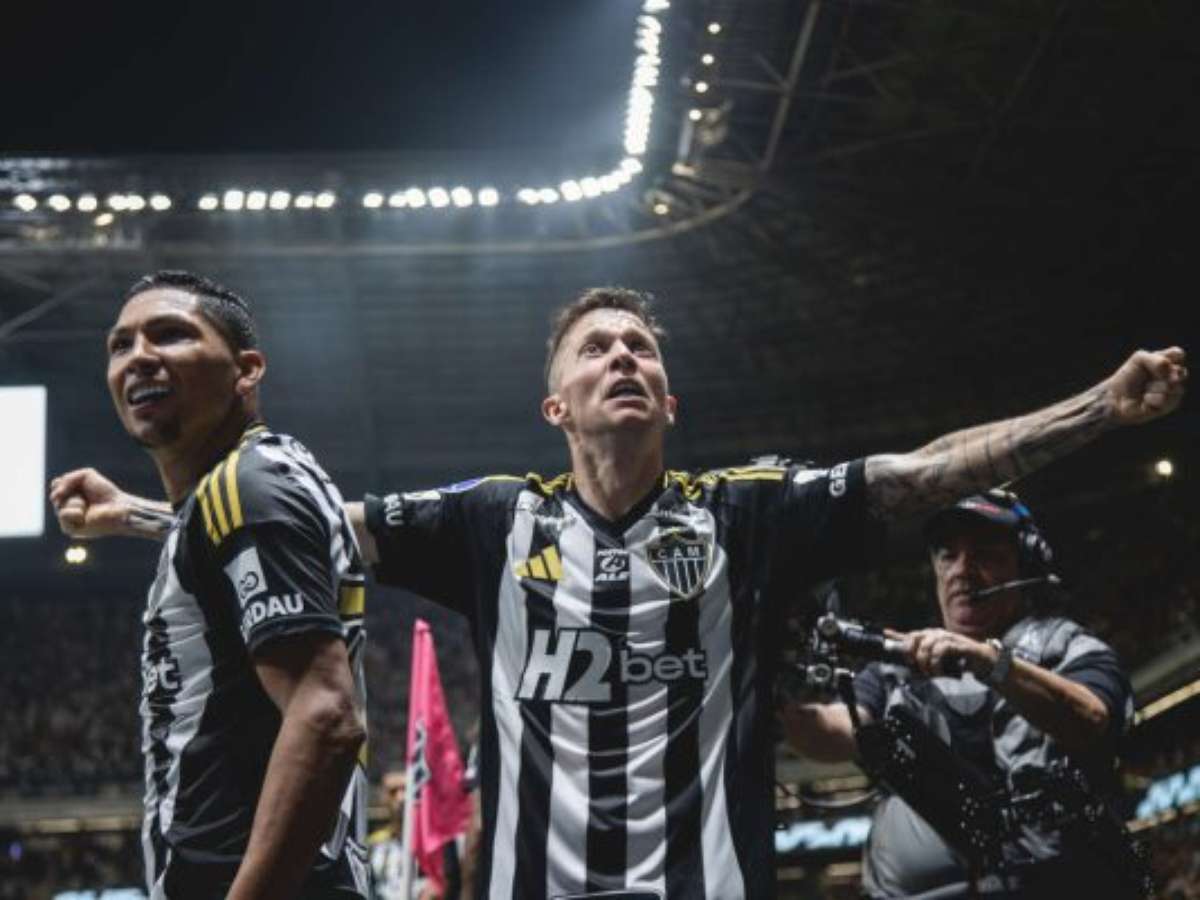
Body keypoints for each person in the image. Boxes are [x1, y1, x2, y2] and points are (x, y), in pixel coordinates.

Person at [52, 287, 1186, 899]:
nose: (624, 358)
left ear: (671, 401)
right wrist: (139, 516)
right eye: (596, 349)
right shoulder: (492, 521)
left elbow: (919, 473)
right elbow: (301, 536)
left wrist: (1101, 407)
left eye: (641, 347)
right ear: (557, 409)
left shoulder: (745, 514)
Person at [49, 271, 370, 899]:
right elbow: (218, 537)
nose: (139, 356)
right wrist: (133, 515)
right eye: (121, 344)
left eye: (170, 334)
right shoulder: (260, 478)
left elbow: (326, 716)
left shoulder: (248, 486)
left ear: (246, 370)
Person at [781, 490, 1135, 898]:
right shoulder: (896, 665)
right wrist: (780, 706)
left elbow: (1092, 718)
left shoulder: (1066, 646)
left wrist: (989, 662)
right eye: (948, 556)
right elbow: (838, 730)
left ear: (1026, 566)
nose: (961, 571)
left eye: (984, 555)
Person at [369, 770, 441, 900]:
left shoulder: (432, 843)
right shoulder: (375, 844)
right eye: (393, 791)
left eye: (406, 789)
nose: (401, 798)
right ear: (383, 798)